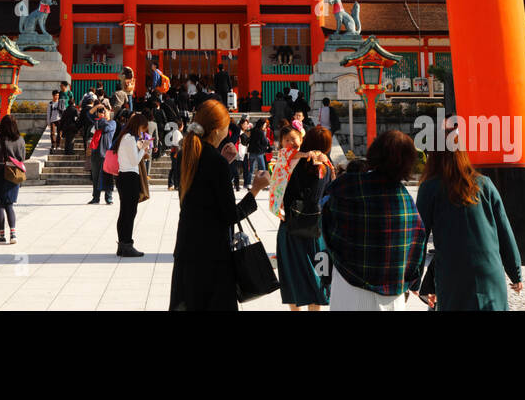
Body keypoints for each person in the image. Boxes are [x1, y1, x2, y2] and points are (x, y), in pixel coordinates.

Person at [169, 99, 272, 311]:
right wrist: (256, 189)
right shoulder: (214, 162)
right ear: (217, 130)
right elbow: (230, 215)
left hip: (187, 250)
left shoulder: (187, 155)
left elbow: (200, 195)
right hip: (212, 256)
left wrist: (224, 162)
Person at [321, 130, 425, 311]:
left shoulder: (346, 185)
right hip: (392, 296)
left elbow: (327, 226)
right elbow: (417, 250)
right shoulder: (406, 201)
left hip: (349, 287)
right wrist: (413, 284)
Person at [416, 143, 522, 311]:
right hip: (489, 270)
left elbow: (418, 238)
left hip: (453, 273)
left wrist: (415, 279)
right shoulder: (485, 184)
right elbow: (504, 230)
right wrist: (515, 272)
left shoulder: (430, 188)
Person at [277, 125, 336, 310]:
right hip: (316, 229)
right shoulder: (326, 166)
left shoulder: (289, 161)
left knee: (292, 275)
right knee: (316, 278)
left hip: (290, 226)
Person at [114, 112, 151, 257]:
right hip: (129, 177)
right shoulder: (129, 139)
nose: (143, 131)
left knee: (125, 212)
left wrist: (142, 147)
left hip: (125, 177)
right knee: (129, 213)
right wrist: (144, 148)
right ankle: (126, 244)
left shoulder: (127, 138)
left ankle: (123, 245)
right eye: (142, 128)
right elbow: (135, 160)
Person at [0, 114, 26, 244]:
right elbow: (22, 158)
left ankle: (2, 235)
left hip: (0, 172)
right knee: (9, 204)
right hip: (14, 174)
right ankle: (13, 234)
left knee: (0, 204)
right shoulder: (20, 139)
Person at [88, 103, 116, 205]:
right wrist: (97, 107)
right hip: (95, 153)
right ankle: (96, 198)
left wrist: (101, 118)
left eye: (105, 111)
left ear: (110, 112)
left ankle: (108, 197)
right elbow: (89, 114)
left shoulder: (112, 123)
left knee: (107, 177)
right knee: (95, 177)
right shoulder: (97, 122)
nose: (102, 113)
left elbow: (106, 129)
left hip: (106, 154)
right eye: (101, 111)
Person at [166, 118, 184, 191]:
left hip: (177, 151)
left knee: (175, 168)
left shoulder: (177, 132)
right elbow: (176, 143)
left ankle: (174, 184)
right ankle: (172, 184)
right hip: (176, 151)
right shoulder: (177, 132)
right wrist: (177, 153)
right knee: (175, 169)